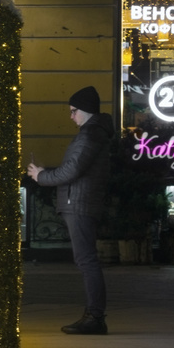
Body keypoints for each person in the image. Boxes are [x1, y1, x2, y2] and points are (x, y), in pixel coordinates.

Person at [27, 85, 115, 335]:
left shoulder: (90, 135)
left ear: (85, 111)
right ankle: (94, 315)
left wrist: (41, 175)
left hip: (79, 204)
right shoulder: (94, 134)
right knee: (86, 260)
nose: (70, 116)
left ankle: (95, 317)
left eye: (73, 111)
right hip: (80, 202)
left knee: (87, 261)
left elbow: (72, 170)